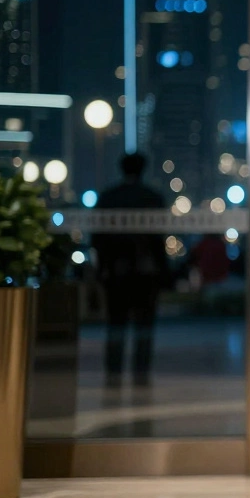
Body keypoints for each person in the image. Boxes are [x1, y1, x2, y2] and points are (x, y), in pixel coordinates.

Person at [93, 153, 168, 388]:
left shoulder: (107, 198)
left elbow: (98, 239)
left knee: (116, 322)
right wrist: (164, 271)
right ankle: (141, 372)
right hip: (146, 272)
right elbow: (158, 240)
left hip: (115, 272)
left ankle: (113, 371)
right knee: (144, 325)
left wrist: (101, 269)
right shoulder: (153, 198)